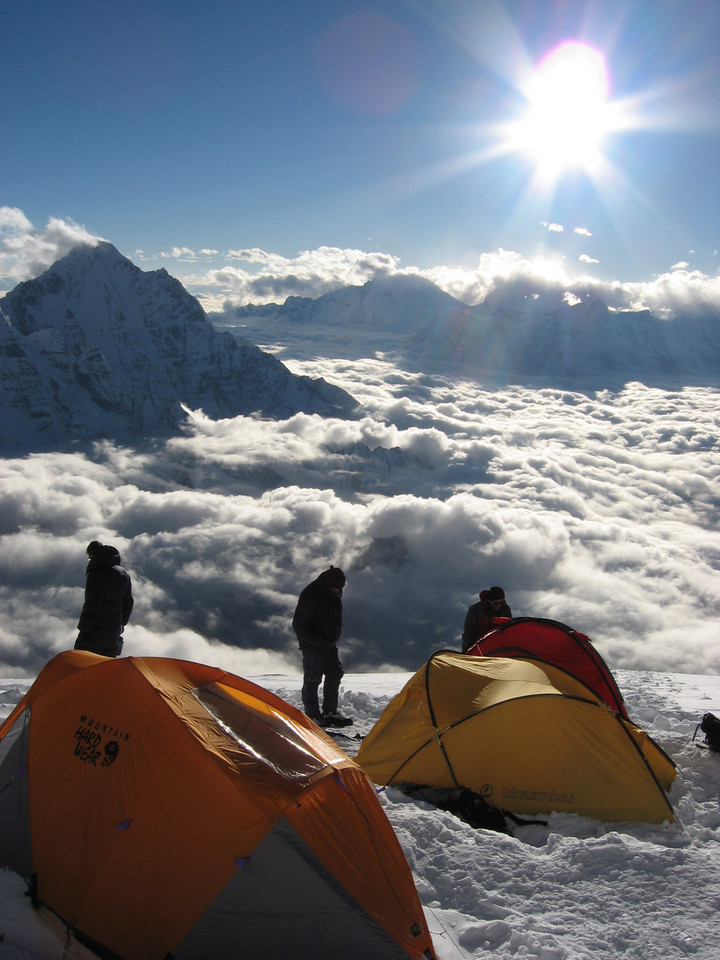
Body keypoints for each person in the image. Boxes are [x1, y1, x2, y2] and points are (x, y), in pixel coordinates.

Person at [292, 565, 351, 727]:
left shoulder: (333, 592)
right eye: (335, 589)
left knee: (335, 674)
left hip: (329, 643)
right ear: (327, 584)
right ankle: (312, 716)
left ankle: (330, 712)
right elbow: (299, 625)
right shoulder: (311, 595)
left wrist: (331, 638)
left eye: (340, 589)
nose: (338, 592)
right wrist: (319, 640)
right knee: (312, 678)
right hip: (313, 645)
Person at [75, 541, 134, 657]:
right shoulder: (123, 573)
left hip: (95, 632)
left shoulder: (96, 574)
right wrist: (121, 624)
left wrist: (84, 627)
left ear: (93, 555)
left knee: (84, 665)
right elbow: (128, 603)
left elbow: (93, 605)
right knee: (106, 666)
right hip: (114, 632)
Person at [461, 585, 511, 653]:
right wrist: (469, 652)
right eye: (496, 603)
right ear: (489, 600)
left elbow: (508, 630)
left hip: (498, 648)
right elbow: (469, 634)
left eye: (502, 602)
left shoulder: (506, 609)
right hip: (477, 648)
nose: (499, 605)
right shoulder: (476, 610)